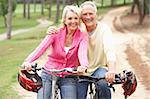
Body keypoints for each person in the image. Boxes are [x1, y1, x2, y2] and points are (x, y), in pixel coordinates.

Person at [47, 1, 117, 99]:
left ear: (96, 15)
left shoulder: (104, 29)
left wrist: (112, 70)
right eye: (85, 14)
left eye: (91, 14)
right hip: (79, 71)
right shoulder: (77, 29)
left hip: (98, 68)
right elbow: (63, 30)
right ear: (80, 17)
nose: (88, 17)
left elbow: (110, 50)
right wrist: (52, 29)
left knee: (103, 84)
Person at [21, 5, 89, 99]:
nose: (73, 21)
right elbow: (41, 48)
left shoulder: (82, 36)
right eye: (70, 18)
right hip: (49, 73)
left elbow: (82, 53)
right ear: (64, 20)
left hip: (68, 76)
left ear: (79, 20)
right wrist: (28, 61)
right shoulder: (55, 33)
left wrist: (84, 65)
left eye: (76, 18)